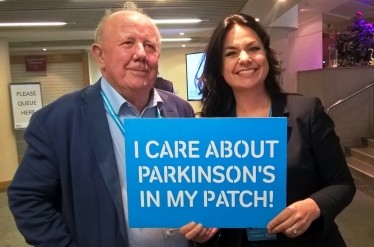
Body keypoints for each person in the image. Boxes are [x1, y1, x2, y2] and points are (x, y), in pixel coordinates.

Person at [7, 2, 197, 247]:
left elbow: (195, 184)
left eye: (150, 45)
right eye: (128, 43)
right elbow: (27, 199)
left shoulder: (181, 110)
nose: (140, 53)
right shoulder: (57, 121)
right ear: (100, 55)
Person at [180, 13, 356, 247]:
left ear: (265, 55)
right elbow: (210, 203)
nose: (244, 58)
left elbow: (343, 184)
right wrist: (205, 230)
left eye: (253, 48)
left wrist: (313, 207)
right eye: (231, 53)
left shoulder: (306, 112)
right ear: (219, 66)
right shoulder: (211, 128)